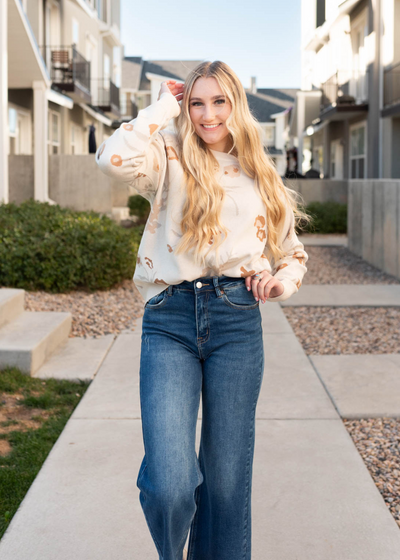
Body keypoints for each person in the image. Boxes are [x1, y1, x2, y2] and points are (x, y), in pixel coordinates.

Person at [96, 60, 310, 560]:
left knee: (227, 484)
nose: (207, 114)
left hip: (237, 320)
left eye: (218, 101)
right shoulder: (167, 156)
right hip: (169, 319)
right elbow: (110, 159)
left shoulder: (261, 172)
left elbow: (292, 252)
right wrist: (164, 105)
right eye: (197, 102)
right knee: (171, 483)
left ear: (236, 104)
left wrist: (279, 281)